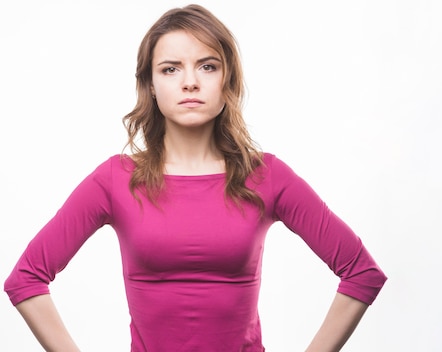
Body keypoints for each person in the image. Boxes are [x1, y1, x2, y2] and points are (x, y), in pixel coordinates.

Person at [4, 4, 386, 352]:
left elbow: (362, 274)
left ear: (228, 80)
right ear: (151, 85)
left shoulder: (267, 176)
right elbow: (26, 280)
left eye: (207, 66)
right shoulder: (114, 180)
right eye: (171, 69)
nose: (190, 82)